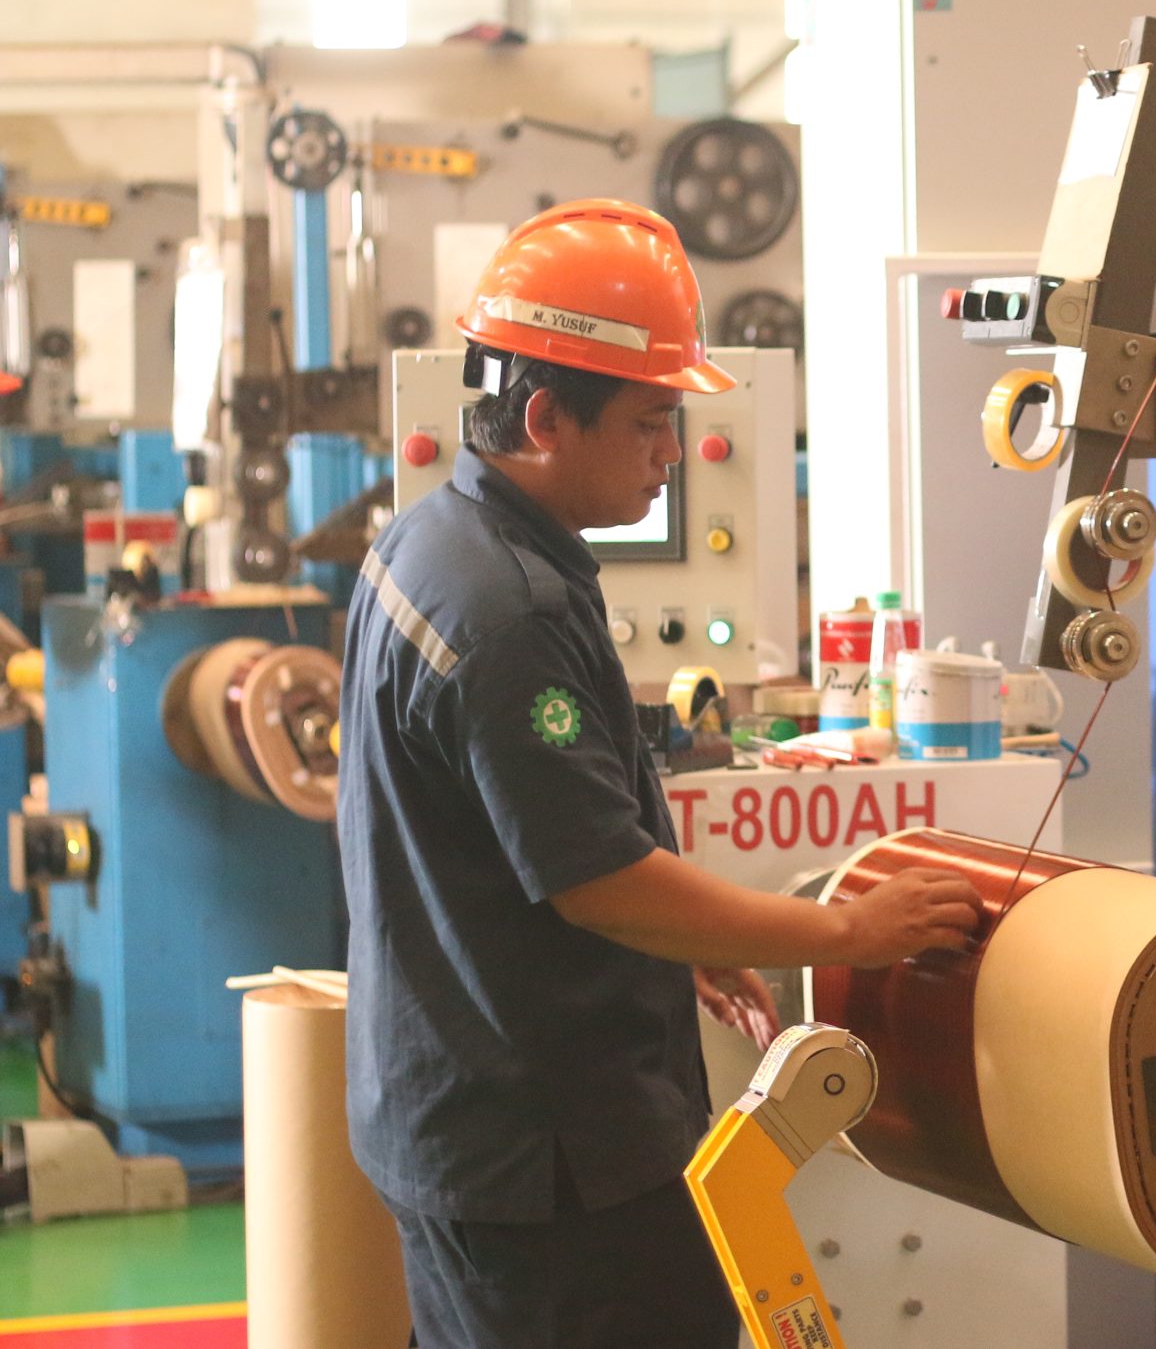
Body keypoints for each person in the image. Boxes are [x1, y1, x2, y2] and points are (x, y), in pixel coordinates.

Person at [336, 199, 979, 1348]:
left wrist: (692, 940)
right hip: (550, 1165)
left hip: (453, 1114)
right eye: (649, 422)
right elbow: (600, 882)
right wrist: (846, 932)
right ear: (546, 417)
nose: (672, 455)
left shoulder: (429, 541)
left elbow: (515, 831)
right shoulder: (509, 612)